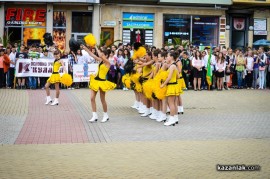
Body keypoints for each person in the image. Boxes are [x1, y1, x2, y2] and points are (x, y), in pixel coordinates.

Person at [82, 45, 116, 123]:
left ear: (106, 55)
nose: (101, 55)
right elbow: (92, 55)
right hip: (95, 81)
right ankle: (94, 115)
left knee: (102, 99)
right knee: (92, 98)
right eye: (102, 54)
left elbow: (100, 55)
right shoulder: (100, 60)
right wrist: (87, 49)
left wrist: (97, 49)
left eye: (103, 54)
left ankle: (105, 115)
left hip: (102, 82)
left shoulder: (108, 63)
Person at [161, 51, 180, 126]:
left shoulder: (172, 66)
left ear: (172, 57)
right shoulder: (174, 65)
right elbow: (178, 76)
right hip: (174, 85)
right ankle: (175, 117)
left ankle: (172, 119)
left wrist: (163, 84)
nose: (167, 58)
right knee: (174, 103)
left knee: (171, 103)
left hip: (171, 85)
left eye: (168, 56)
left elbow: (169, 78)